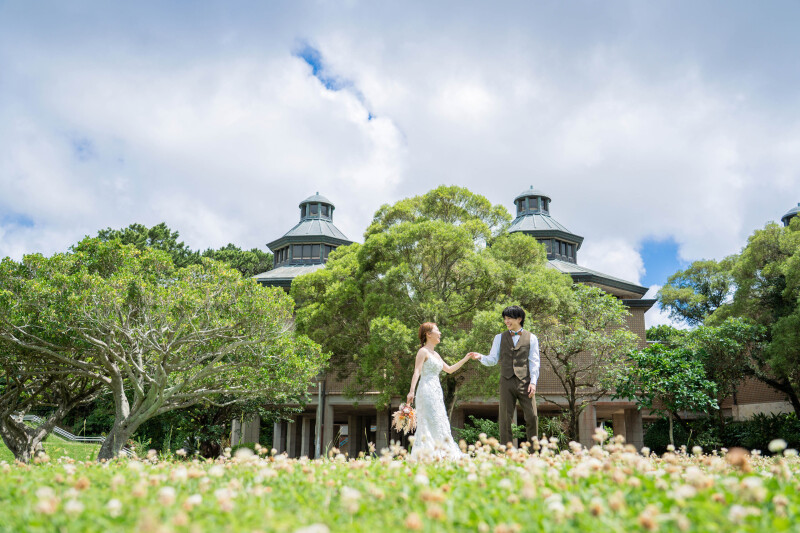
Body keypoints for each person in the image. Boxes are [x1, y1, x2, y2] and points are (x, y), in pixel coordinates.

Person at [468, 305, 539, 447]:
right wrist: (480, 357)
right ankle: (507, 451)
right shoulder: (499, 337)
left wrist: (533, 382)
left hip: (525, 381)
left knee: (532, 416)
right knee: (505, 418)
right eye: (505, 319)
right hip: (506, 381)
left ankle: (534, 451)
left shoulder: (532, 338)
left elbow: (534, 361)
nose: (506, 321)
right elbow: (493, 359)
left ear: (519, 319)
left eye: (509, 318)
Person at [406, 322, 472, 460]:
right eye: (437, 331)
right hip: (426, 390)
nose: (440, 333)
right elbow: (417, 371)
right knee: (428, 421)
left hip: (436, 391)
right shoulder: (422, 352)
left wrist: (466, 358)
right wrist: (411, 391)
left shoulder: (436, 354)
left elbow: (449, 369)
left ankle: (442, 452)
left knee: (440, 420)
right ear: (428, 334)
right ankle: (426, 454)